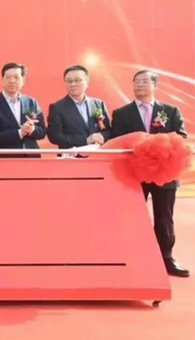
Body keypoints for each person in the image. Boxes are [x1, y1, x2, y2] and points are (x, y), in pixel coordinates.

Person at [111, 70, 189, 277]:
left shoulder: (171, 111)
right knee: (132, 216)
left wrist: (160, 144)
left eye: (144, 81)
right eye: (136, 81)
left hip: (166, 172)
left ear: (155, 85)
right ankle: (133, 257)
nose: (139, 85)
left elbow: (181, 137)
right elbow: (117, 141)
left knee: (164, 216)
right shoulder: (122, 113)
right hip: (135, 173)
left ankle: (166, 258)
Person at [0, 62, 47, 158]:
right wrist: (19, 133)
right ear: (2, 80)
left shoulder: (31, 102)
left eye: (16, 77)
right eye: (8, 77)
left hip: (32, 159)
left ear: (23, 81)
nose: (12, 81)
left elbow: (42, 131)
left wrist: (33, 129)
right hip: (5, 160)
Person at [47, 65, 111, 151]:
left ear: (87, 82)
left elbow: (108, 130)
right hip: (71, 156)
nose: (73, 84)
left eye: (77, 80)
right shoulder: (57, 107)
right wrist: (86, 140)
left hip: (98, 153)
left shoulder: (98, 104)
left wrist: (102, 137)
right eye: (69, 81)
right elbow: (54, 137)